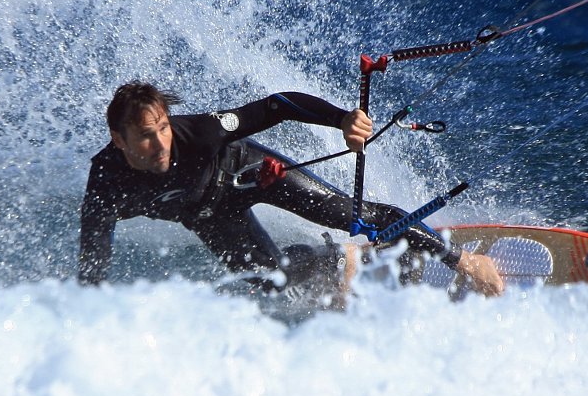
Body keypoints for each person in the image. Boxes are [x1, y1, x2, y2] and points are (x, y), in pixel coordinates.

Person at [78, 81, 503, 297]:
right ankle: (340, 262)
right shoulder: (106, 182)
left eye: (163, 129)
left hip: (255, 173)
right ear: (119, 140)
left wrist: (341, 120)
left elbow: (276, 106)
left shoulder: (201, 134)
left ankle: (464, 260)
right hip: (206, 214)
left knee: (356, 216)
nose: (160, 144)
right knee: (270, 281)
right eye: (146, 136)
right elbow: (94, 255)